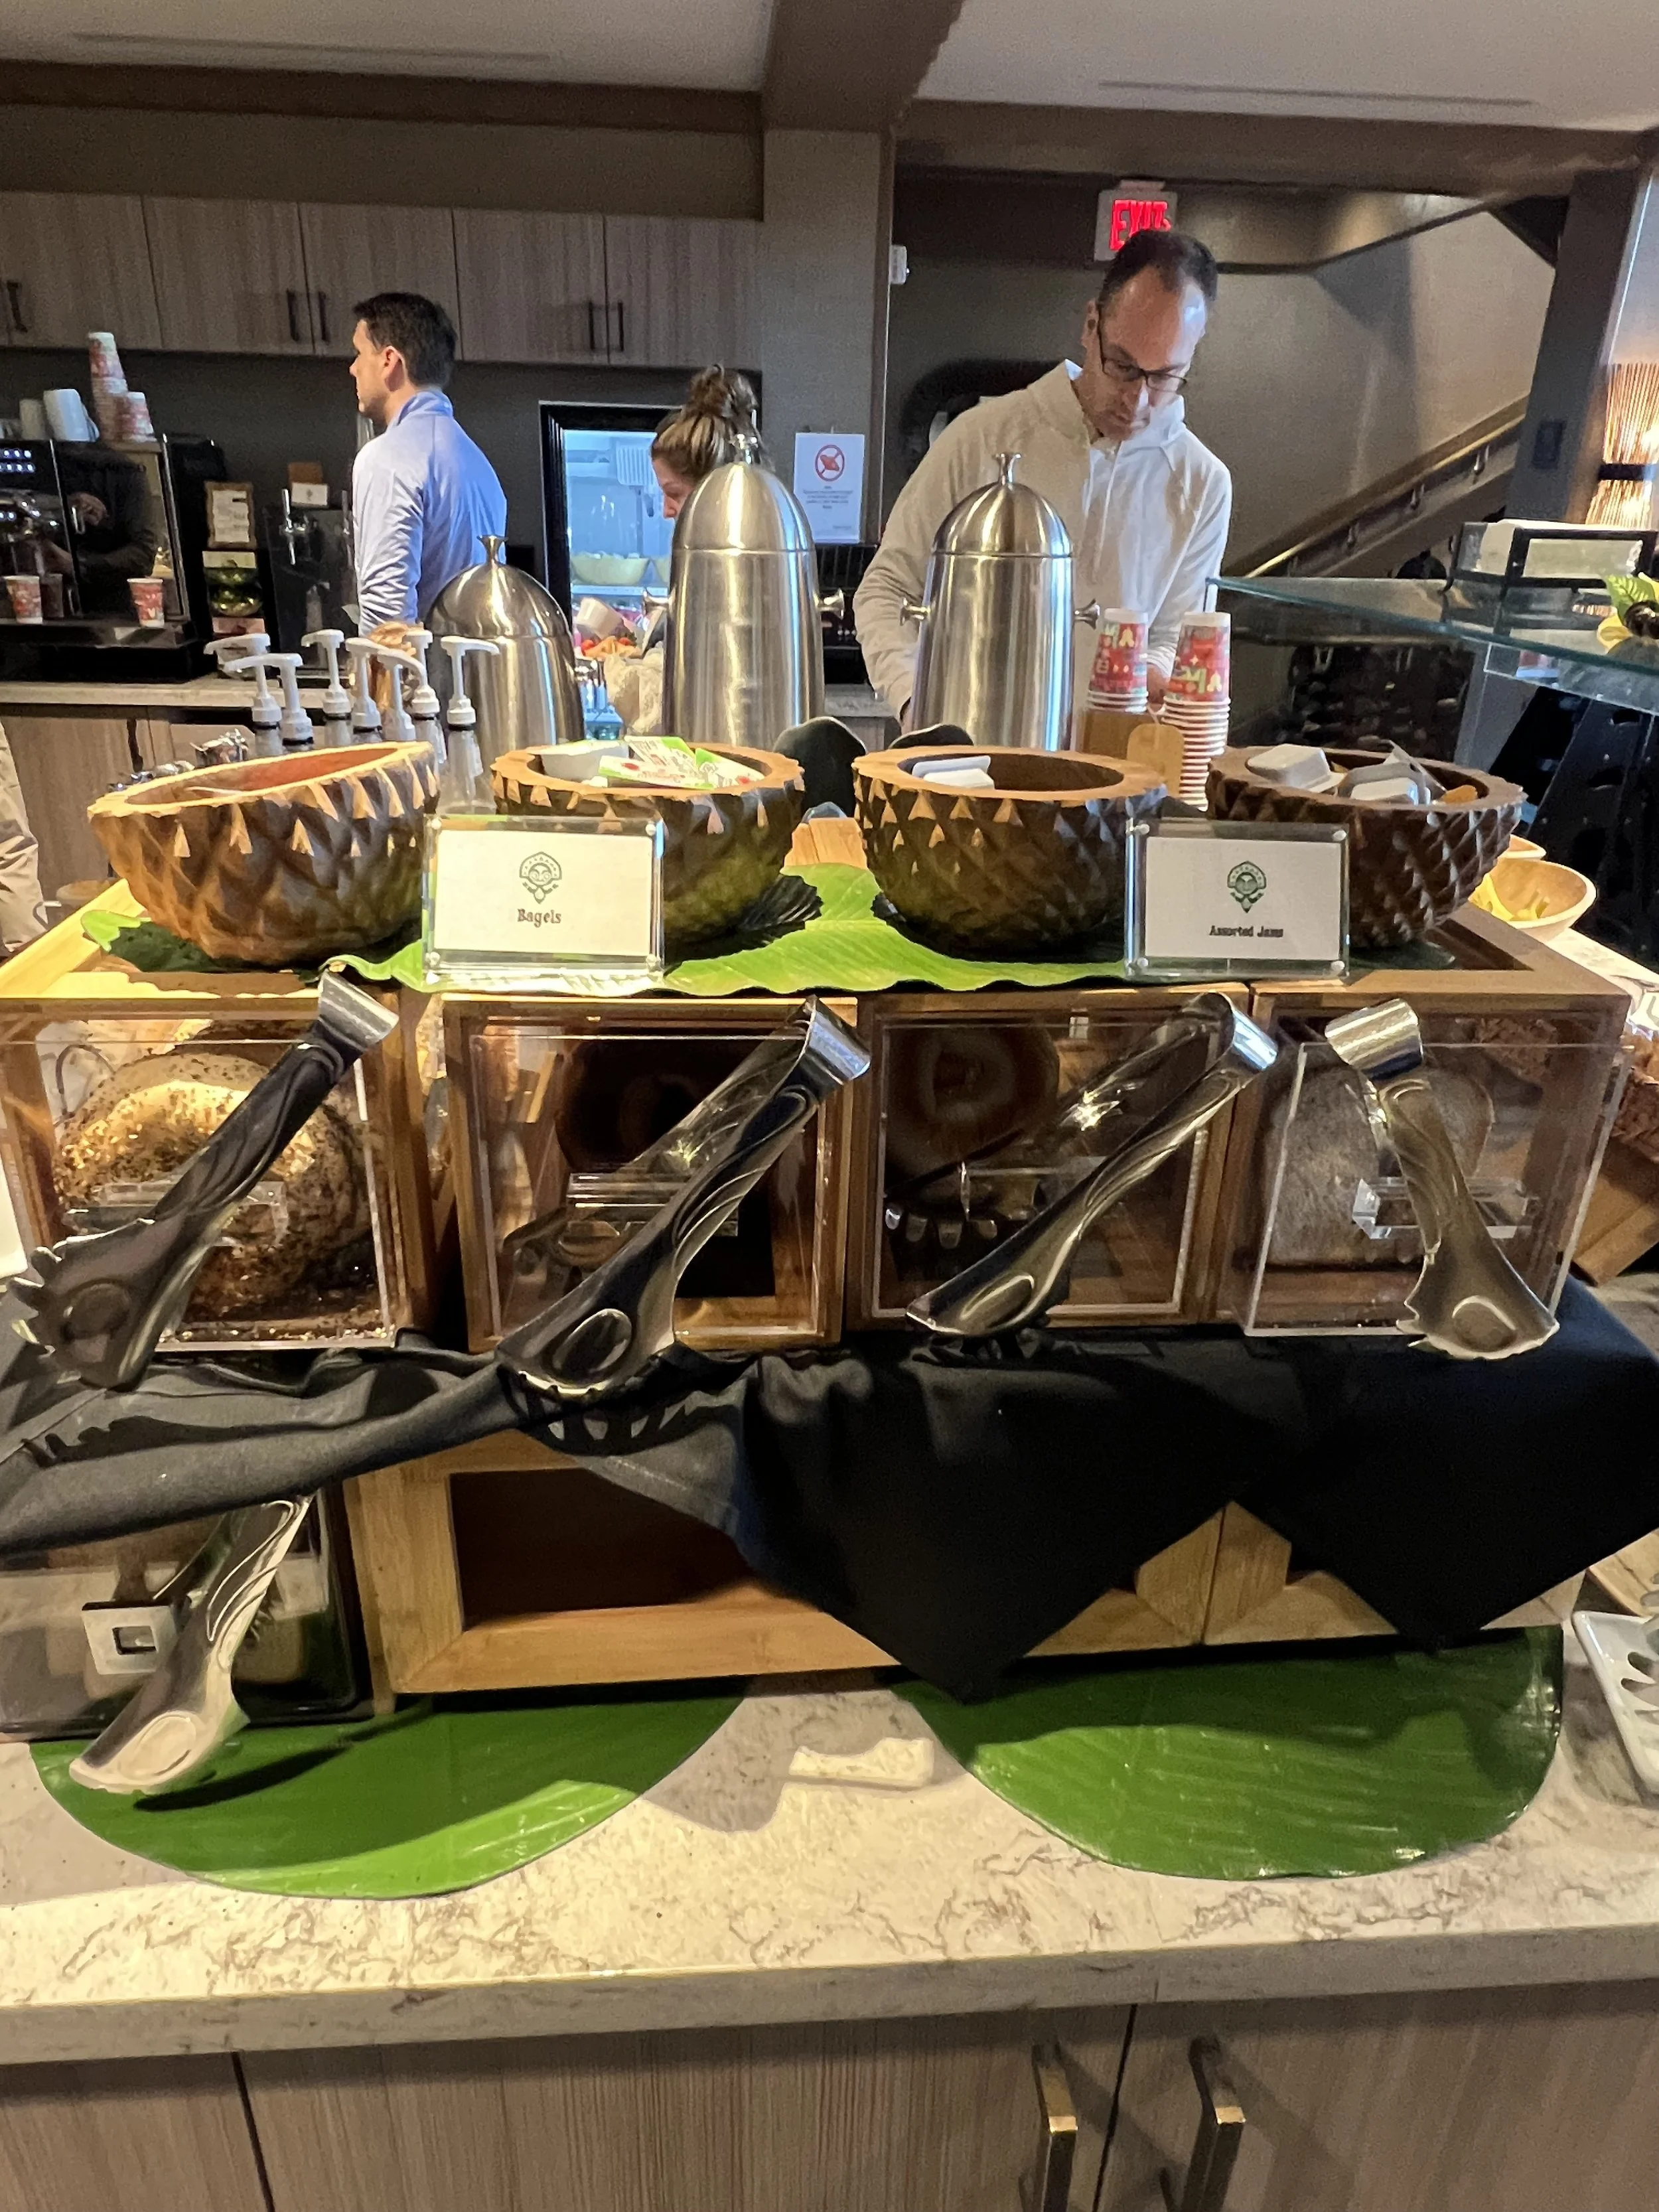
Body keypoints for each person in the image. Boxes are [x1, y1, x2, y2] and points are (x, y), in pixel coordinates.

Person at [855, 229, 1231, 727]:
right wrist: (915, 705)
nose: (1137, 399)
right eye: (1122, 365)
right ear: (1091, 324)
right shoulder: (980, 437)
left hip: (1110, 778)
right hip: (973, 765)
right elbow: (886, 590)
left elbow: (1170, 637)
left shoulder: (1202, 484)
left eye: (1164, 376)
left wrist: (1155, 676)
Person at [608, 368, 766, 734]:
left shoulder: (740, 575)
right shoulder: (700, 564)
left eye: (674, 493)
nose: (666, 509)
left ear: (713, 489)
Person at [348, 292, 507, 632]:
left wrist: (375, 680)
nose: (353, 368)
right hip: (474, 673)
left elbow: (386, 615)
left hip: (422, 680)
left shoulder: (386, 459)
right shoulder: (478, 463)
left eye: (360, 353)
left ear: (389, 360)